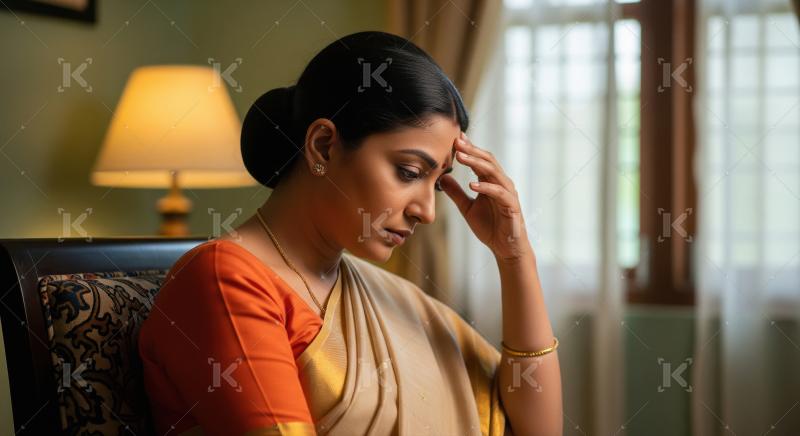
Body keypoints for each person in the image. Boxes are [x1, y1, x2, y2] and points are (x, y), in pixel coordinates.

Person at [138, 30, 562, 436]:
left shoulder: (387, 297)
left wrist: (514, 256)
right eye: (409, 172)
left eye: (436, 182)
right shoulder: (224, 280)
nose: (426, 211)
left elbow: (537, 430)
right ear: (323, 145)